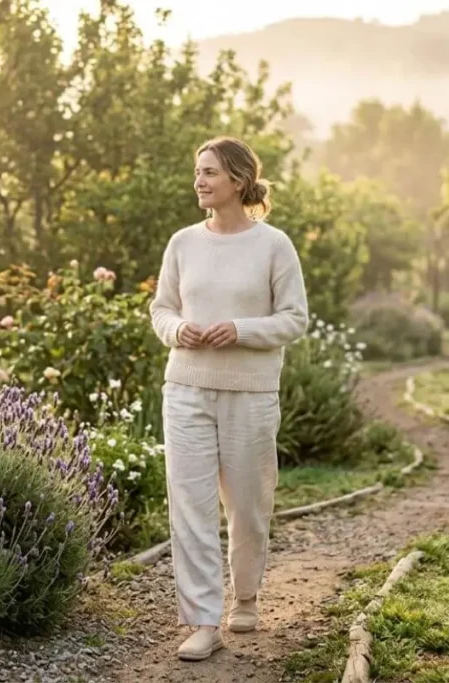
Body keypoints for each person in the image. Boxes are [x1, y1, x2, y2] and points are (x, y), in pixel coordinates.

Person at [149, 136, 309, 661]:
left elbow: (294, 319)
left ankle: (246, 593)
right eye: (197, 172)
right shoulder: (182, 243)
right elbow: (162, 310)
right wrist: (179, 332)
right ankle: (201, 620)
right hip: (186, 389)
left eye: (210, 172)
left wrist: (238, 329)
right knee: (190, 507)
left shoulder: (274, 245)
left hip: (251, 394)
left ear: (239, 180)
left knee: (248, 504)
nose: (200, 181)